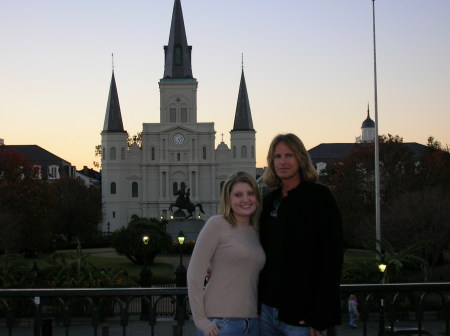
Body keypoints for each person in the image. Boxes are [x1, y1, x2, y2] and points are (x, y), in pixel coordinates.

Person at [258, 133, 343, 336]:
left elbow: (332, 259)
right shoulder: (270, 200)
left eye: (289, 155)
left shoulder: (319, 198)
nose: (283, 161)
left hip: (302, 316)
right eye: (277, 157)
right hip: (267, 313)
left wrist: (320, 316)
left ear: (301, 159)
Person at [187, 171, 266, 336]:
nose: (246, 199)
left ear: (257, 198)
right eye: (238, 195)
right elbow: (194, 274)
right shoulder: (216, 224)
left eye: (251, 193)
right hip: (221, 324)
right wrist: (201, 321)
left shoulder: (257, 231)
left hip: (253, 322)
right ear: (228, 199)